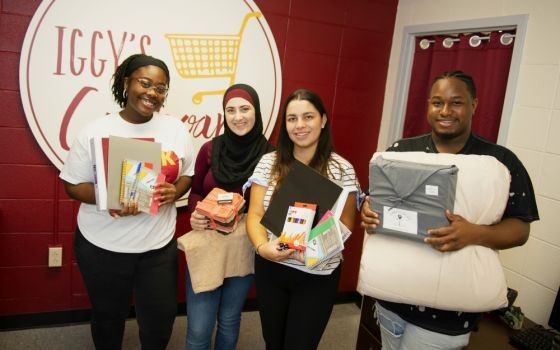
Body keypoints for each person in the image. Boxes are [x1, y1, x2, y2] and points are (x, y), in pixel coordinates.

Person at [360, 70, 539, 350]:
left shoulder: (499, 162)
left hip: (447, 316)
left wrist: (474, 233)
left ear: (474, 105)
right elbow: (375, 203)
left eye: (456, 102)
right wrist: (368, 213)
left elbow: (520, 230)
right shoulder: (401, 151)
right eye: (437, 102)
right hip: (393, 299)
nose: (445, 111)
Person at [59, 53, 195, 350]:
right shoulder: (95, 131)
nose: (152, 93)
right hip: (102, 247)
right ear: (126, 82)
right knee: (108, 320)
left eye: (160, 89)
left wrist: (176, 190)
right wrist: (109, 196)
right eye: (145, 83)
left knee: (160, 321)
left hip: (157, 248)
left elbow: (188, 175)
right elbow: (71, 184)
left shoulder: (175, 129)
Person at [246, 88, 360, 349]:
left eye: (308, 117)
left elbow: (345, 225)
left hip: (317, 274)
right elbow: (254, 214)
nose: (300, 125)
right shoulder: (268, 163)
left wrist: (309, 253)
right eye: (292, 118)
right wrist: (264, 248)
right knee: (273, 342)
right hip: (271, 268)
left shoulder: (342, 169)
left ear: (323, 120)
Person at [185, 83, 274, 350]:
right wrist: (196, 213)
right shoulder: (210, 150)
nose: (238, 117)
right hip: (208, 242)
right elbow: (195, 192)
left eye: (245, 109)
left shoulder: (271, 156)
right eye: (231, 110)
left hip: (245, 244)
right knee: (199, 328)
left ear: (256, 112)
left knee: (229, 319)